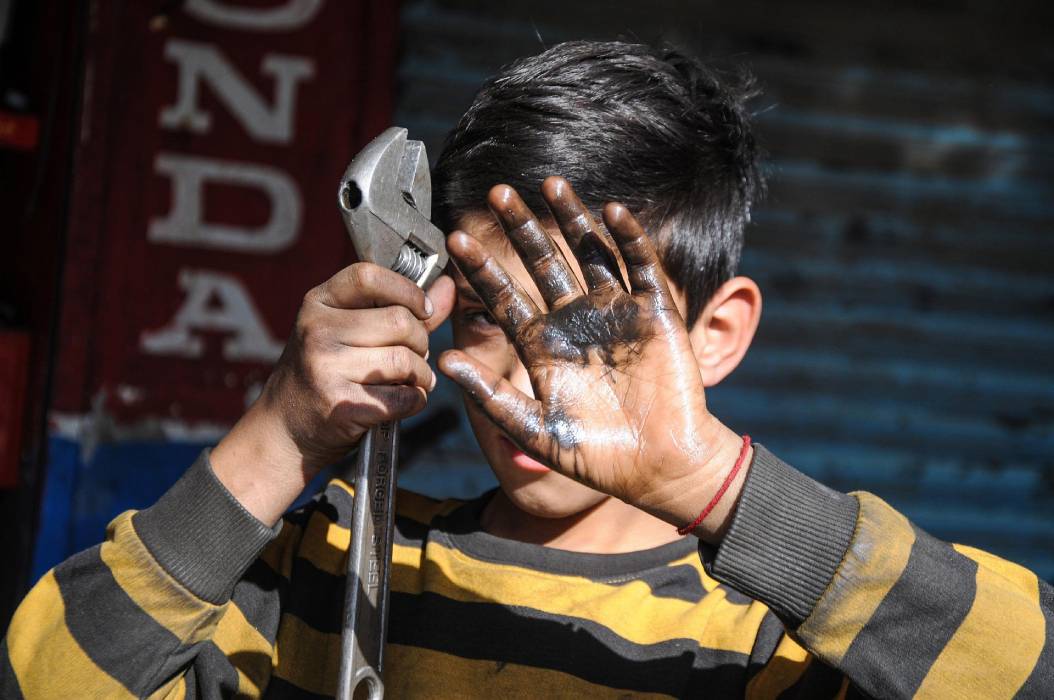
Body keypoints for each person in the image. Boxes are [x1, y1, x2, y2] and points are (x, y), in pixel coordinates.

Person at [2, 40, 1051, 699]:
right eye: (495, 309)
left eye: (588, 322)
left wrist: (714, 486)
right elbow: (45, 677)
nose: (535, 378)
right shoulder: (331, 566)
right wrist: (277, 433)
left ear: (717, 335)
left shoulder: (773, 645)